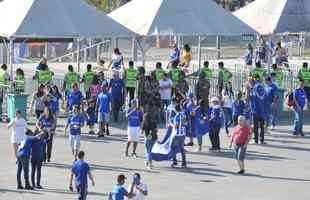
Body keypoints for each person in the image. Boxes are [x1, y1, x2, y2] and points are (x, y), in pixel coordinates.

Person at [171, 103, 187, 168]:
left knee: (173, 147)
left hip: (177, 134)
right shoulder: (183, 114)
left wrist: (171, 124)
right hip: (183, 134)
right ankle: (184, 163)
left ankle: (174, 161)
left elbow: (176, 126)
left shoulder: (176, 116)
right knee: (182, 148)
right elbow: (186, 123)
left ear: (175, 109)